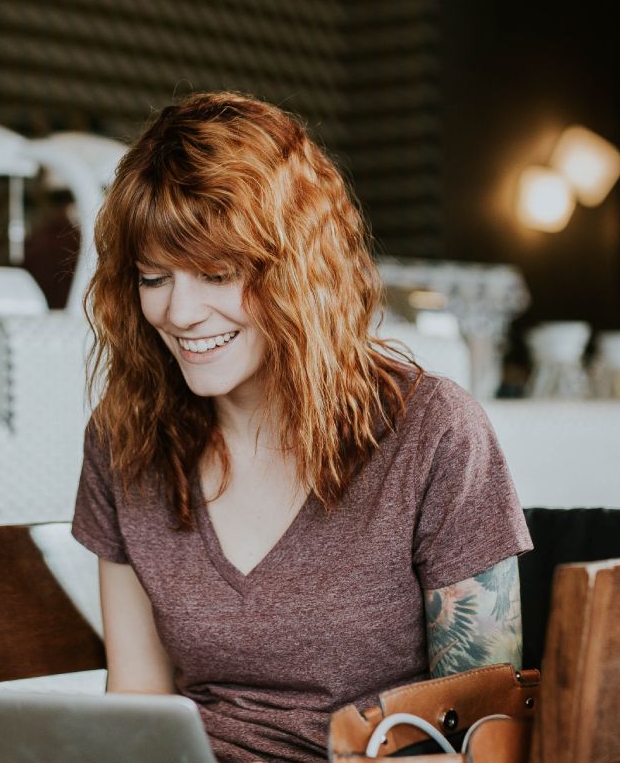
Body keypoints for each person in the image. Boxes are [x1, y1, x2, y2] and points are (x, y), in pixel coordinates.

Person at [71, 92, 532, 763]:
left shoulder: (434, 433)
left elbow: (484, 733)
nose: (180, 312)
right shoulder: (124, 442)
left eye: (218, 274)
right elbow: (137, 697)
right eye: (153, 277)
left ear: (298, 272)